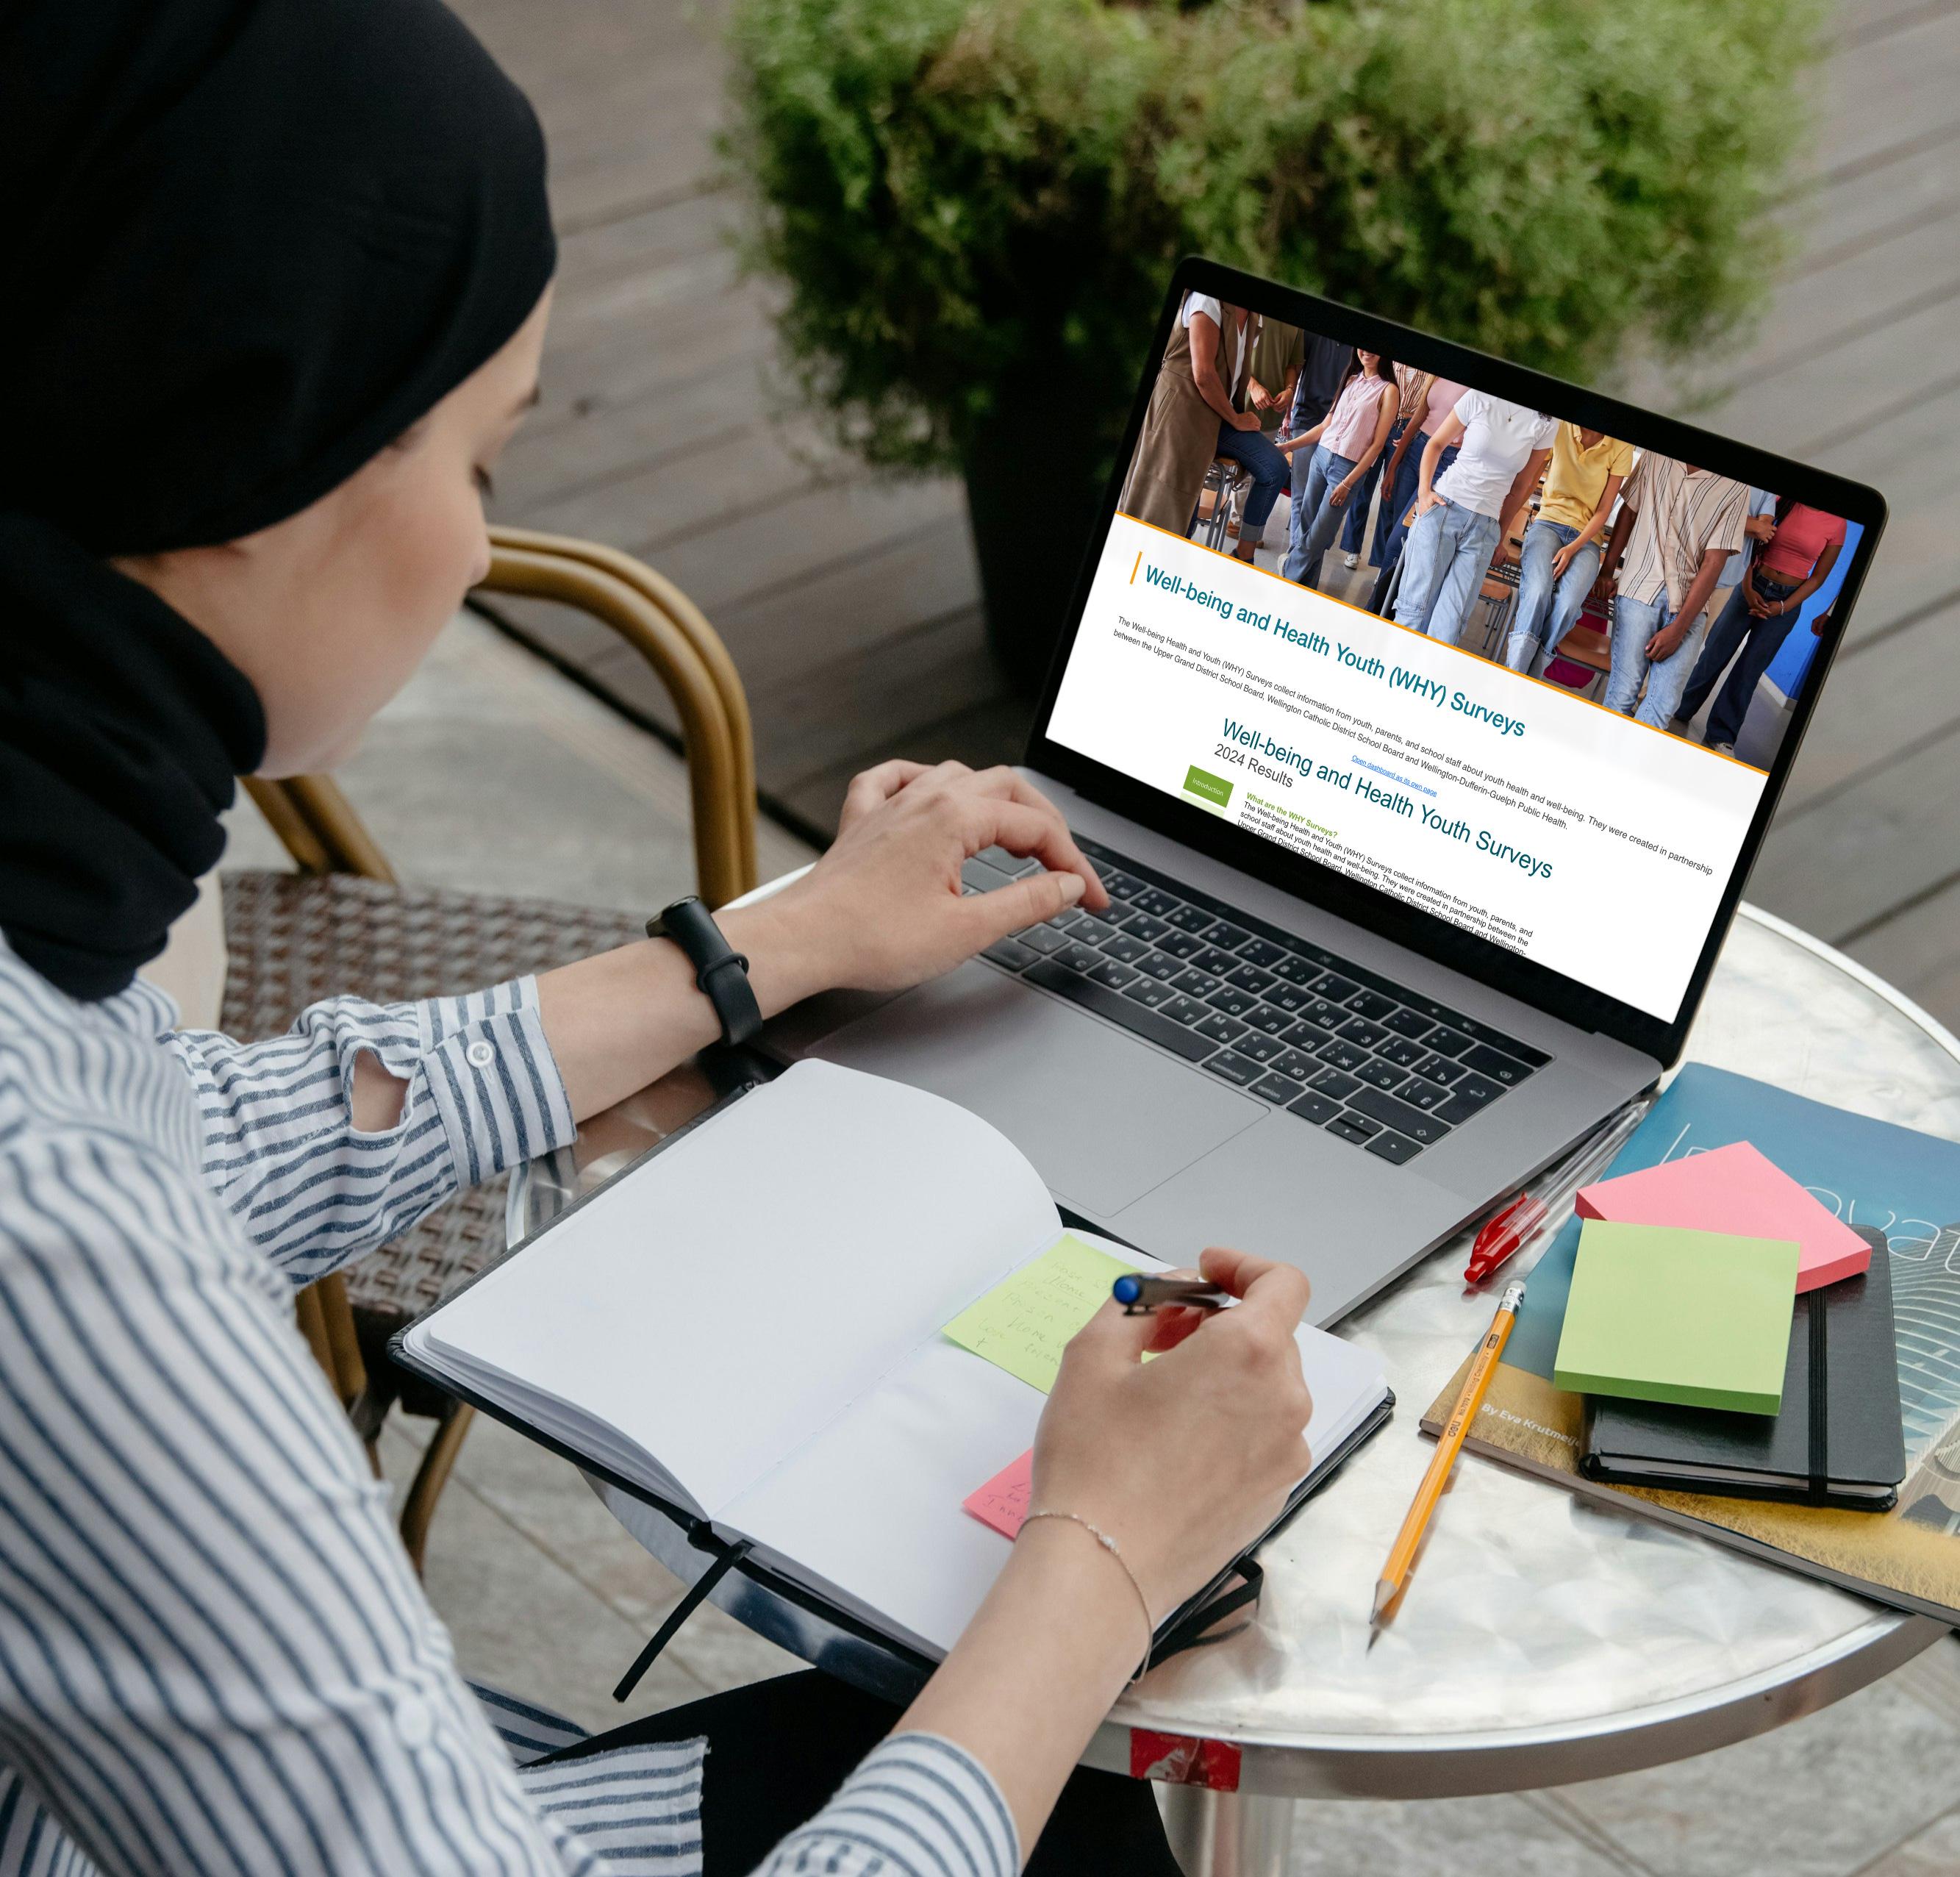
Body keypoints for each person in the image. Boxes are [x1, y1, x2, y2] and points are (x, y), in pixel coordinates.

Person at [0, 6, 1320, 1876]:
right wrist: (1103, 1544)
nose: (475, 558)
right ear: (252, 441)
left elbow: (184, 1133)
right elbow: (95, 1206)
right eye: (476, 461)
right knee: (1071, 1825)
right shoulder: (57, 1255)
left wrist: (761, 948)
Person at [1118, 291, 1287, 563]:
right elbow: (1204, 374)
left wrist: (1234, 416)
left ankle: (1244, 554)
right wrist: (1236, 418)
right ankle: (1140, 568)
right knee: (1168, 511)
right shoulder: (1209, 297)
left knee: (1275, 467)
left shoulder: (1256, 315)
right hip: (1183, 411)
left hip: (1220, 415)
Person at [1674, 498, 1845, 754]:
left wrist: (1784, 607)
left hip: (1787, 603)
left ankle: (1722, 735)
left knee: (1749, 670)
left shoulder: (1838, 523)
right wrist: (1746, 587)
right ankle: (1680, 709)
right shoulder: (1782, 501)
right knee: (1714, 654)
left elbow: (1819, 577)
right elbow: (1748, 547)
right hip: (1751, 586)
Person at [1596, 453, 1751, 727]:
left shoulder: (1737, 485)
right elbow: (1629, 511)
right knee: (1623, 695)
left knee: (1663, 705)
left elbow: (1714, 561)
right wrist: (1607, 570)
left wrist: (1679, 628)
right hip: (1638, 589)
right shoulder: (1657, 455)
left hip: (1689, 604)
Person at [1392, 392, 1556, 645]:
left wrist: (1499, 534)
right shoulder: (1481, 396)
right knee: (1415, 612)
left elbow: (1522, 485)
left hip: (1485, 528)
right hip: (1445, 509)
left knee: (1450, 627)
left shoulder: (1547, 421)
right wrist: (1424, 492)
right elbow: (1435, 444)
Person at [1500, 423, 1633, 674]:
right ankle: (1517, 675)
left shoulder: (1621, 445)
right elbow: (1529, 481)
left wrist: (1573, 548)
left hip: (1587, 541)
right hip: (1548, 523)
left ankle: (1527, 674)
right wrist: (1503, 527)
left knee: (1569, 604)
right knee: (1538, 591)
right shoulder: (1561, 427)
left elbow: (1604, 511)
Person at [1277, 351, 1401, 588]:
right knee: (1306, 525)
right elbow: (1326, 425)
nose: (1367, 352)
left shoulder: (1389, 391)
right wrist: (1288, 446)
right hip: (1321, 457)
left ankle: (1288, 568)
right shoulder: (1351, 379)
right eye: (1363, 346)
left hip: (1346, 470)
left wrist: (1348, 483)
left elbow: (1376, 446)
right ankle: (1304, 589)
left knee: (1320, 533)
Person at [1367, 375, 1465, 612]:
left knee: (1399, 542)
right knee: (1397, 537)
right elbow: (1419, 417)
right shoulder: (1439, 371)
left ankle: (1379, 611)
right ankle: (1383, 603)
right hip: (1416, 450)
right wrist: (1392, 467)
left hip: (1447, 459)